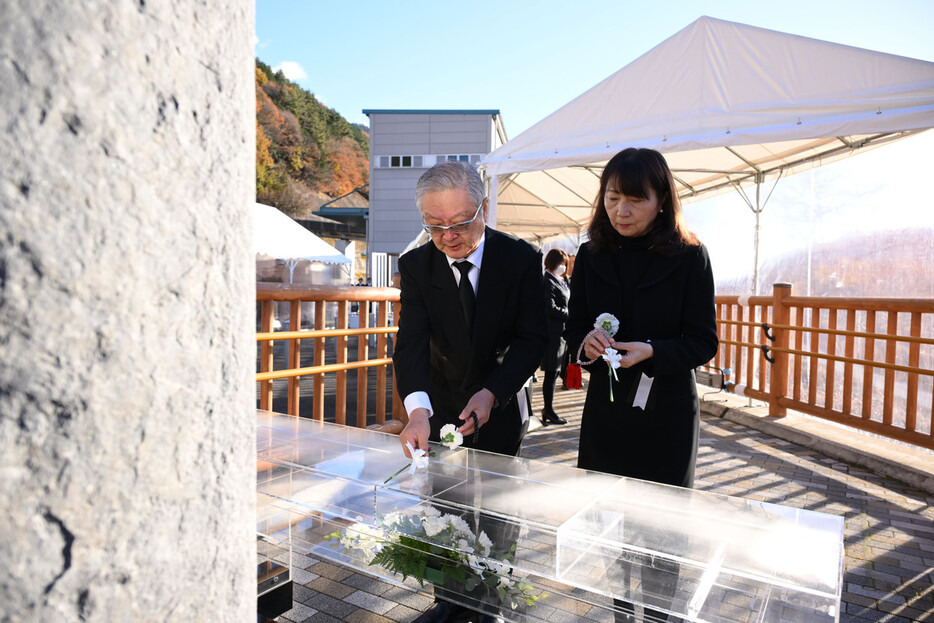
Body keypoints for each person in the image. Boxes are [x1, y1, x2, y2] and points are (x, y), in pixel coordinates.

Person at [565, 148, 718, 623]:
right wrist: (585, 343)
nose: (621, 211)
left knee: (663, 528)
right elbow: (572, 331)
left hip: (666, 413)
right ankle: (619, 611)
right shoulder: (590, 256)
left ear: (662, 200)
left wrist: (653, 351)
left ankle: (659, 615)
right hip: (608, 413)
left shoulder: (691, 255)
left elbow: (703, 341)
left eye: (635, 199)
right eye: (612, 197)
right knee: (610, 521)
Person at [393, 161, 547, 623]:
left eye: (460, 223)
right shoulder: (416, 265)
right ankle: (452, 602)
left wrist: (492, 393)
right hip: (440, 400)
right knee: (444, 499)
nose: (448, 236)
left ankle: (495, 601)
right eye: (434, 225)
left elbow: (533, 340)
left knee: (500, 504)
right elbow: (412, 343)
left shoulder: (519, 258)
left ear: (483, 207)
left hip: (501, 396)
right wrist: (416, 411)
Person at [539, 248, 570, 425]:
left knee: (555, 372)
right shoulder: (548, 281)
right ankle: (548, 410)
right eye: (561, 263)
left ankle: (548, 409)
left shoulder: (562, 281)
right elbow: (550, 308)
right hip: (552, 334)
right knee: (551, 373)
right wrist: (569, 313)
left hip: (561, 333)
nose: (563, 267)